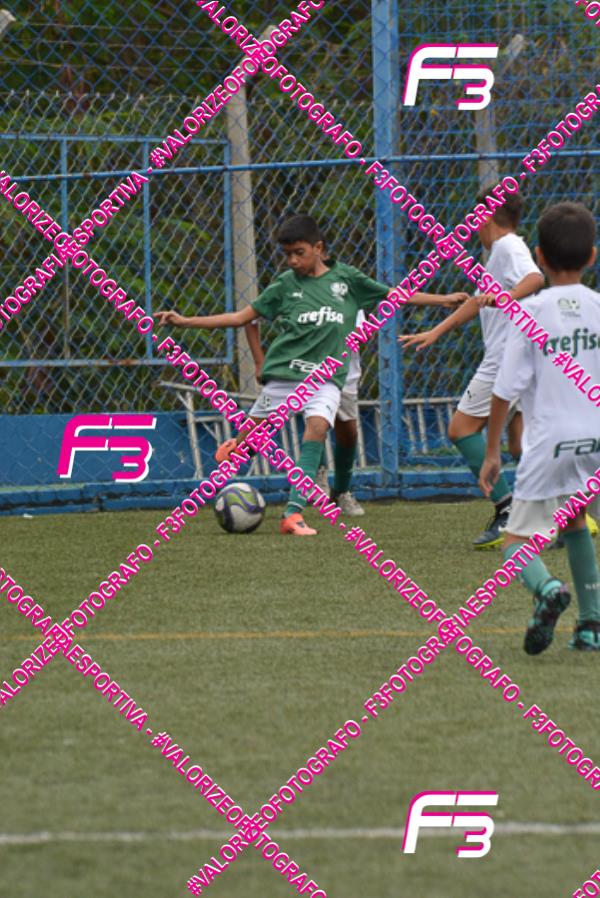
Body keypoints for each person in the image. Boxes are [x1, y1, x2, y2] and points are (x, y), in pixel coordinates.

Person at [238, 215, 468, 523]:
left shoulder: (348, 284)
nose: (293, 260)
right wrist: (260, 360)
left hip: (342, 369)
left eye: (299, 252)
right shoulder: (289, 285)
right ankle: (306, 475)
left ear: (319, 249)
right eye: (289, 254)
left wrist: (441, 300)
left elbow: (394, 296)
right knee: (304, 424)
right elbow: (250, 318)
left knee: (346, 430)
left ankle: (342, 489)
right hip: (299, 369)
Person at [480, 201, 600, 653]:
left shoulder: (529, 313)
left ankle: (548, 590)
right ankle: (590, 627)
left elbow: (505, 389)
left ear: (540, 256)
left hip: (549, 441)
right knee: (574, 521)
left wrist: (493, 451)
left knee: (516, 543)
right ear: (592, 256)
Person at [399, 191, 545, 548]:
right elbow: (479, 302)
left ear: (485, 216)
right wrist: (436, 332)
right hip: (524, 353)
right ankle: (568, 509)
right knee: (520, 441)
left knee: (461, 429)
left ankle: (507, 510)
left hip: (505, 358)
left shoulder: (507, 247)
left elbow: (535, 278)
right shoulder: (498, 254)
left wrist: (506, 297)